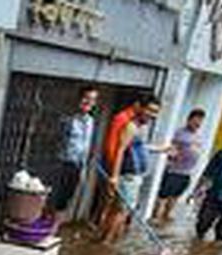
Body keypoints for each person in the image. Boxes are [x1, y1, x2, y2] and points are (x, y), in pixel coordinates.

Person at [100, 93, 171, 244]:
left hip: (134, 176)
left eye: (156, 112)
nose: (153, 115)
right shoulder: (131, 126)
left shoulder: (141, 127)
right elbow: (120, 150)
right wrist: (114, 176)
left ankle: (108, 242)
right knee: (121, 211)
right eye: (150, 110)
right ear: (141, 108)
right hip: (128, 176)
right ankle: (106, 244)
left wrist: (161, 149)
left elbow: (140, 147)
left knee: (120, 210)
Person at [48, 85, 99, 226]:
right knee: (54, 197)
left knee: (66, 199)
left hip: (78, 166)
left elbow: (86, 145)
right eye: (86, 98)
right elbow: (54, 140)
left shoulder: (91, 121)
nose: (88, 102)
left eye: (92, 100)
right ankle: (44, 226)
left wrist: (84, 168)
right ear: (79, 99)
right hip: (62, 164)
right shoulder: (67, 119)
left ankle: (54, 229)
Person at [153, 108, 206, 224]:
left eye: (200, 121)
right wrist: (172, 156)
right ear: (189, 120)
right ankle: (156, 217)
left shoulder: (199, 136)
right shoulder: (179, 133)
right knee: (163, 196)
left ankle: (166, 217)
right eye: (196, 120)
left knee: (175, 196)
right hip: (174, 170)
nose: (198, 123)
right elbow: (171, 148)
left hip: (187, 172)